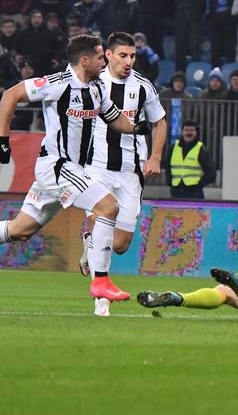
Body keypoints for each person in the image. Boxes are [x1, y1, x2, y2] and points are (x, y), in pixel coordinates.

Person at [0, 35, 147, 301]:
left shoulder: (96, 88)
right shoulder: (56, 85)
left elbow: (114, 117)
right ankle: (101, 281)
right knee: (108, 207)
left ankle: (100, 281)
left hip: (71, 170)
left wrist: (136, 127)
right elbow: (11, 95)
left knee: (20, 230)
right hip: (56, 167)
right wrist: (2, 139)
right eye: (101, 57)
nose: (104, 62)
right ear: (84, 60)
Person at [79, 32, 167, 278]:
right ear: (108, 55)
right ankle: (100, 290)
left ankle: (89, 242)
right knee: (102, 225)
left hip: (131, 171)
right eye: (123, 55)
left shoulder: (143, 87)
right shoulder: (91, 83)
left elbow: (159, 122)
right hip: (96, 167)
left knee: (119, 245)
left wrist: (156, 157)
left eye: (132, 56)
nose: (129, 61)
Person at [168, 120, 217, 199]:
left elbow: (211, 172)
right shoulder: (174, 147)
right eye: (186, 130)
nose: (189, 133)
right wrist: (169, 182)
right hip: (176, 190)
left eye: (192, 130)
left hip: (194, 192)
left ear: (196, 132)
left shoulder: (200, 149)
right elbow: (167, 166)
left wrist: (199, 184)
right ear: (182, 132)